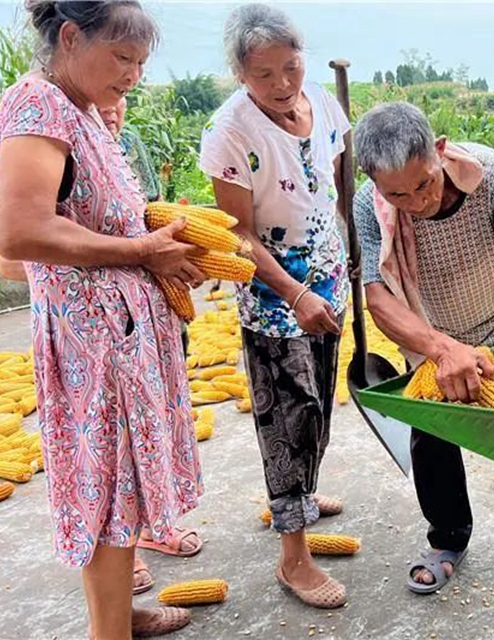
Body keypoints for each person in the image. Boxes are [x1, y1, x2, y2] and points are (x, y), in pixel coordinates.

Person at [0, 1, 205, 636]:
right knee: (108, 491)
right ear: (70, 35)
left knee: (120, 489)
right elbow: (19, 229)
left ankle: (116, 614)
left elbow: (93, 215)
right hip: (93, 348)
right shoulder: (38, 105)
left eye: (140, 63)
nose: (133, 75)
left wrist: (160, 247)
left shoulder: (81, 110)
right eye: (121, 58)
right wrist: (140, 252)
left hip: (121, 339)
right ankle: (107, 630)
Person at [352, 102, 494, 594]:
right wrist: (441, 349)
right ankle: (447, 536)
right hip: (429, 331)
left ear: (440, 152)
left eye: (424, 183)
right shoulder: (370, 206)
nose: (416, 202)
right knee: (432, 437)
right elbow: (378, 298)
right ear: (375, 184)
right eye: (397, 193)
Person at [198, 3, 350, 609]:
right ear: (240, 74)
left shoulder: (324, 103)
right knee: (285, 421)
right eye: (266, 75)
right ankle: (295, 558)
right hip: (273, 297)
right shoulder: (230, 132)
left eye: (292, 66)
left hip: (330, 280)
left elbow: (334, 183)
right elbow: (238, 231)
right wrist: (294, 291)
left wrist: (350, 255)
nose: (284, 84)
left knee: (318, 402)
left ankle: (305, 493)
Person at [97, 98, 203, 593]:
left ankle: (153, 528)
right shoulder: (61, 150)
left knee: (154, 428)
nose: (114, 109)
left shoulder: (130, 148)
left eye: (121, 101)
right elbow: (17, 255)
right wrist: (137, 254)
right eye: (105, 97)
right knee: (117, 449)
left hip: (151, 316)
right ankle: (126, 550)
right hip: (102, 327)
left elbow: (154, 220)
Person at [99, 96, 161, 202]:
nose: (109, 108)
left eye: (119, 93)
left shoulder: (130, 140)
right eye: (98, 97)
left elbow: (157, 198)